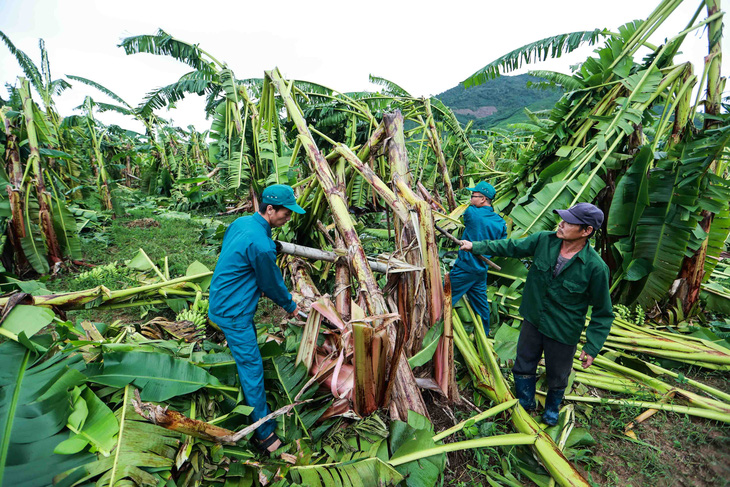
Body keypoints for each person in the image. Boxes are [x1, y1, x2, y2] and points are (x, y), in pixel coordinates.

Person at [459, 202, 614, 425]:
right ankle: (525, 402)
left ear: (586, 231)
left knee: (558, 373)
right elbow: (510, 246)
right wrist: (475, 246)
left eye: (568, 222)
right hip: (534, 318)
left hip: (563, 329)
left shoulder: (595, 267)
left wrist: (592, 347)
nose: (560, 224)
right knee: (524, 364)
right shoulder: (544, 240)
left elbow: (603, 312)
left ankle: (551, 409)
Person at [208, 184, 305, 452]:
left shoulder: (241, 224)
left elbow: (245, 246)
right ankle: (264, 434)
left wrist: (269, 243)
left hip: (220, 299)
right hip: (233, 312)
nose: (288, 218)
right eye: (286, 214)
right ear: (270, 209)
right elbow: (271, 284)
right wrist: (292, 307)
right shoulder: (261, 246)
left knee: (248, 359)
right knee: (252, 368)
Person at [449, 181, 507, 336]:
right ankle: (485, 333)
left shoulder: (471, 213)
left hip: (465, 267)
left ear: (483, 199)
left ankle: (431, 327)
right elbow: (500, 247)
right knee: (481, 306)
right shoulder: (501, 222)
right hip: (481, 269)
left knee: (443, 297)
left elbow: (466, 219)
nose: (470, 199)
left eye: (473, 196)